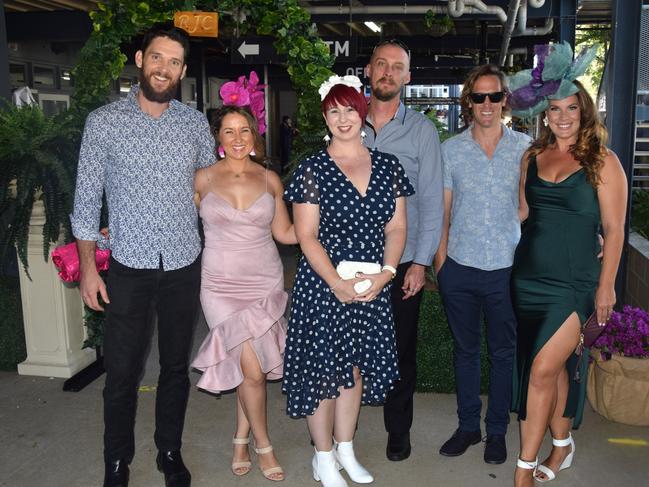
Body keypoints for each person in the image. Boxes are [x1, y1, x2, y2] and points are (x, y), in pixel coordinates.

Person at [71, 26, 215, 487]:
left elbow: (208, 187)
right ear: (139, 59)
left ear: (184, 71)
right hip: (128, 267)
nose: (164, 68)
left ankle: (169, 451)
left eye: (174, 62)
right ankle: (116, 461)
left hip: (182, 262)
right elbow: (86, 199)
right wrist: (89, 268)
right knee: (122, 372)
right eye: (157, 58)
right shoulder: (104, 122)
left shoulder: (193, 124)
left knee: (176, 367)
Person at [283, 75, 413, 487]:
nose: (343, 119)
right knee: (323, 370)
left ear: (363, 113)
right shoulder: (312, 168)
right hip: (324, 286)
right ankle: (322, 458)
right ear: (326, 116)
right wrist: (336, 284)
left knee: (354, 370)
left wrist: (387, 274)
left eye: (350, 109)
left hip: (371, 284)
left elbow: (396, 229)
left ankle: (345, 449)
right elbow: (305, 236)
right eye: (334, 111)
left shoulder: (388, 166)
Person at [508, 44, 627, 486]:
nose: (562, 116)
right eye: (554, 109)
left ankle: (522, 471)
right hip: (528, 277)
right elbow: (523, 214)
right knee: (550, 368)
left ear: (584, 110)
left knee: (539, 372)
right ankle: (561, 445)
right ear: (544, 113)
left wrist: (607, 287)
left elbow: (615, 229)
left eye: (571, 107)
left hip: (575, 282)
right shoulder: (530, 157)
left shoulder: (603, 161)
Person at [191, 105, 296, 482]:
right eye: (229, 131)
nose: (237, 139)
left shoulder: (270, 180)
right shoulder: (201, 179)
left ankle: (240, 438)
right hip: (219, 285)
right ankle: (264, 445)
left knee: (246, 366)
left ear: (254, 136)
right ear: (218, 138)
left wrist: (325, 228)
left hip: (263, 281)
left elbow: (285, 233)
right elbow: (172, 224)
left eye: (244, 131)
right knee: (251, 366)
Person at [433, 64, 531, 465]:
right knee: (466, 351)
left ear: (505, 100)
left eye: (494, 96)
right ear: (468, 102)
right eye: (479, 97)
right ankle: (468, 427)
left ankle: (496, 432)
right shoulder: (451, 149)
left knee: (504, 354)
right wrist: (440, 263)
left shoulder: (525, 148)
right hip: (460, 264)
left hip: (506, 268)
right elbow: (442, 211)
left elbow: (531, 206)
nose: (487, 104)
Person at [363, 38, 444, 462]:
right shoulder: (344, 120)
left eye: (397, 67)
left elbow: (431, 201)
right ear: (368, 71)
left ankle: (398, 431)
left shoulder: (422, 131)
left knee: (399, 353)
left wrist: (420, 263)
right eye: (381, 64)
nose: (388, 72)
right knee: (347, 349)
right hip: (349, 262)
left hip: (400, 265)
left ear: (408, 77)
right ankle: (342, 433)